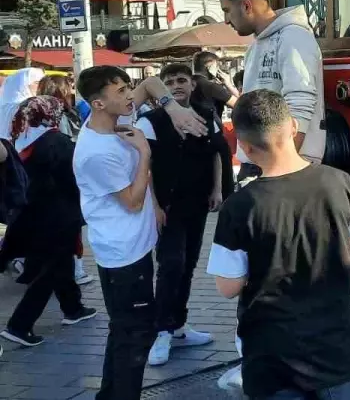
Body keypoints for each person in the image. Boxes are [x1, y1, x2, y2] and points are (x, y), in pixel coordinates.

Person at [206, 90, 350, 400]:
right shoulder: (340, 182)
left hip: (273, 360)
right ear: (293, 126)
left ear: (244, 146)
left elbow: (227, 287)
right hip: (337, 350)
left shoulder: (239, 206)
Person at [73, 66, 206, 400]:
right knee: (134, 337)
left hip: (131, 247)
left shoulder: (117, 124)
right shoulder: (96, 152)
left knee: (125, 331)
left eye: (126, 87)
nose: (129, 95)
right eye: (120, 91)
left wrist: (171, 107)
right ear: (98, 104)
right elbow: (132, 201)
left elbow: (149, 83)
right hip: (123, 255)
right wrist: (145, 153)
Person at [138, 63, 223, 366]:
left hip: (197, 204)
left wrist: (216, 189)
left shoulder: (206, 115)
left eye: (182, 80)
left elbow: (215, 153)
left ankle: (179, 326)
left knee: (188, 265)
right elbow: (144, 168)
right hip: (168, 207)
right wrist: (155, 206)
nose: (177, 85)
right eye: (170, 81)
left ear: (192, 84)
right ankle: (162, 330)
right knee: (171, 264)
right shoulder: (150, 121)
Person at [0, 96, 97, 347]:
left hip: (31, 214)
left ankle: (73, 308)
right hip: (58, 214)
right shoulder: (56, 141)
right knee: (51, 269)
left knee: (61, 262)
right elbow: (72, 180)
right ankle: (19, 325)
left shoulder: (19, 138)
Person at [217, 0, 325, 169]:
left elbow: (300, 103)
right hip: (260, 163)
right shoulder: (255, 46)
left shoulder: (294, 36)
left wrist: (281, 169)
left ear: (246, 6)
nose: (226, 20)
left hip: (282, 167)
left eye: (227, 10)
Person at [36, 74, 92, 286]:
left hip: (46, 183)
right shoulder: (59, 117)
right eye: (69, 88)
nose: (72, 93)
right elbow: (67, 147)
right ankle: (73, 272)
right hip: (64, 180)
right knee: (70, 230)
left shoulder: (35, 115)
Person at [193, 53, 237, 200]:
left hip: (191, 134)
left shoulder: (188, 83)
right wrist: (229, 84)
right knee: (225, 184)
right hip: (214, 134)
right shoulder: (212, 86)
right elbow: (241, 105)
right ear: (210, 66)